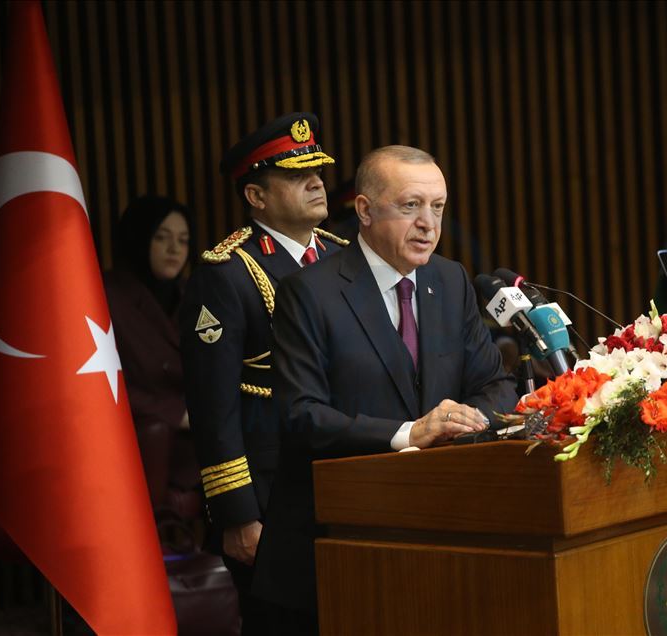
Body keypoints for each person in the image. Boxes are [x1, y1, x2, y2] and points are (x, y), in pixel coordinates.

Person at [254, 145, 516, 632]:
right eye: (410, 205)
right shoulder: (308, 293)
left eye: (437, 207)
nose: (428, 224)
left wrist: (466, 422)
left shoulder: (450, 280)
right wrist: (409, 433)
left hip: (436, 543)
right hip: (332, 551)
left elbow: (495, 384)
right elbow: (301, 414)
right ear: (365, 210)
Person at [179, 112, 347, 633]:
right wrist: (237, 514)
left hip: (348, 473)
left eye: (317, 171)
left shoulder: (345, 256)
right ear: (256, 196)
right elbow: (212, 404)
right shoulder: (227, 273)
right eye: (297, 176)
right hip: (273, 491)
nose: (317, 183)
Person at [103, 195, 201, 518]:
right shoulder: (105, 296)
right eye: (162, 237)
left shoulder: (194, 294)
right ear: (139, 237)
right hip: (135, 440)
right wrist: (176, 412)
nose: (175, 249)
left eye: (183, 240)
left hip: (197, 437)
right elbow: (96, 383)